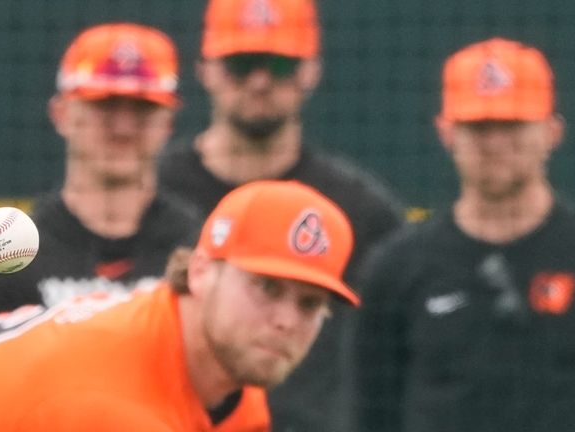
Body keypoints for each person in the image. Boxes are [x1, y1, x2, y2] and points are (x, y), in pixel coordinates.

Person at [0, 180, 359, 431]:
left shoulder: (229, 389)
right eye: (266, 288)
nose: (286, 319)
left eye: (311, 303)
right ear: (201, 272)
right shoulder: (110, 396)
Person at [158, 0, 403, 429]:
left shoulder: (362, 212)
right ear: (206, 68)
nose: (259, 81)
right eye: (241, 63)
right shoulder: (156, 197)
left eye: (279, 64)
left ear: (311, 70)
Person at [357, 37, 575, 432]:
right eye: (478, 126)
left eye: (512, 124)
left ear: (552, 131)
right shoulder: (396, 269)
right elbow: (370, 415)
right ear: (446, 133)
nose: (495, 143)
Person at [0, 23, 200, 340]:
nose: (124, 128)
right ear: (61, 114)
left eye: (143, 107)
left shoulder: (197, 246)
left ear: (168, 123)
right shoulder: (13, 254)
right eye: (105, 105)